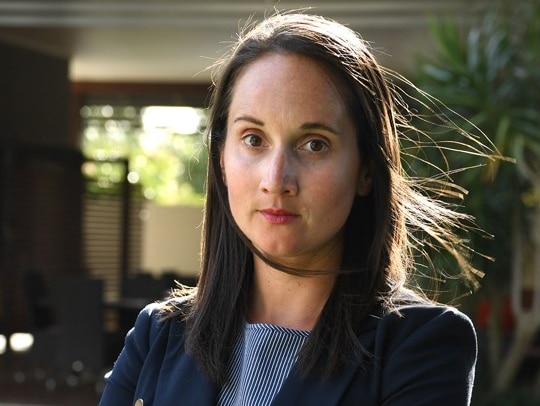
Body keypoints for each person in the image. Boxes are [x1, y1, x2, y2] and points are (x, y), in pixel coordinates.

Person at [99, 12, 489, 406]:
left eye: (314, 144)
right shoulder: (159, 336)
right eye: (253, 139)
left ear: (366, 170)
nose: (276, 178)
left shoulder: (421, 345)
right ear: (221, 159)